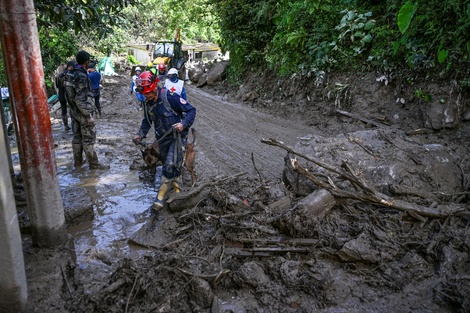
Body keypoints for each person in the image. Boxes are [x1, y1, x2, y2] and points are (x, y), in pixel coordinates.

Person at [132, 70, 196, 210]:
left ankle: (159, 198)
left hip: (177, 137)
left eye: (147, 93)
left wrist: (183, 124)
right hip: (162, 140)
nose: (146, 96)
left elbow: (191, 111)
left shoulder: (171, 97)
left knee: (168, 165)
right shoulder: (148, 103)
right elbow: (147, 121)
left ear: (155, 88)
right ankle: (179, 191)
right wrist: (140, 134)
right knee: (174, 166)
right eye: (144, 94)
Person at [64, 50, 109, 170]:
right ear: (86, 62)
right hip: (83, 113)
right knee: (88, 139)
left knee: (77, 138)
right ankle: (94, 165)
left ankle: (78, 163)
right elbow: (80, 98)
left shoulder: (70, 74)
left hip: (74, 112)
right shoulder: (82, 76)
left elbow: (69, 95)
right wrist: (88, 115)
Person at [54, 60, 75, 131]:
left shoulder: (57, 77)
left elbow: (57, 86)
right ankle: (73, 124)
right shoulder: (68, 75)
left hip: (61, 94)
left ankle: (66, 125)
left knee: (64, 109)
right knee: (72, 109)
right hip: (68, 94)